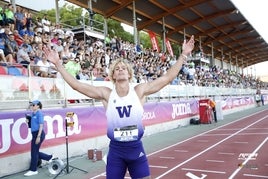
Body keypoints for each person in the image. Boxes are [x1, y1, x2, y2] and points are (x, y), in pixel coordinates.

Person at [44, 35, 195, 179]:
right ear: (113, 76)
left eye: (123, 68)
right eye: (117, 69)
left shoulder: (139, 91)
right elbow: (76, 85)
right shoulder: (106, 94)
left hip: (136, 149)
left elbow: (167, 78)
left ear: (129, 74)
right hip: (116, 151)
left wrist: (183, 55)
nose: (121, 69)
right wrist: (58, 64)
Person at [24, 100, 54, 177]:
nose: (32, 106)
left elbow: (41, 126)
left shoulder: (39, 113)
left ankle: (33, 170)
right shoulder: (33, 113)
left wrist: (38, 136)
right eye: (31, 105)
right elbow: (32, 125)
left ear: (38, 106)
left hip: (38, 134)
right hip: (34, 134)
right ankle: (49, 157)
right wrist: (28, 121)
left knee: (34, 152)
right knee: (35, 151)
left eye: (33, 105)